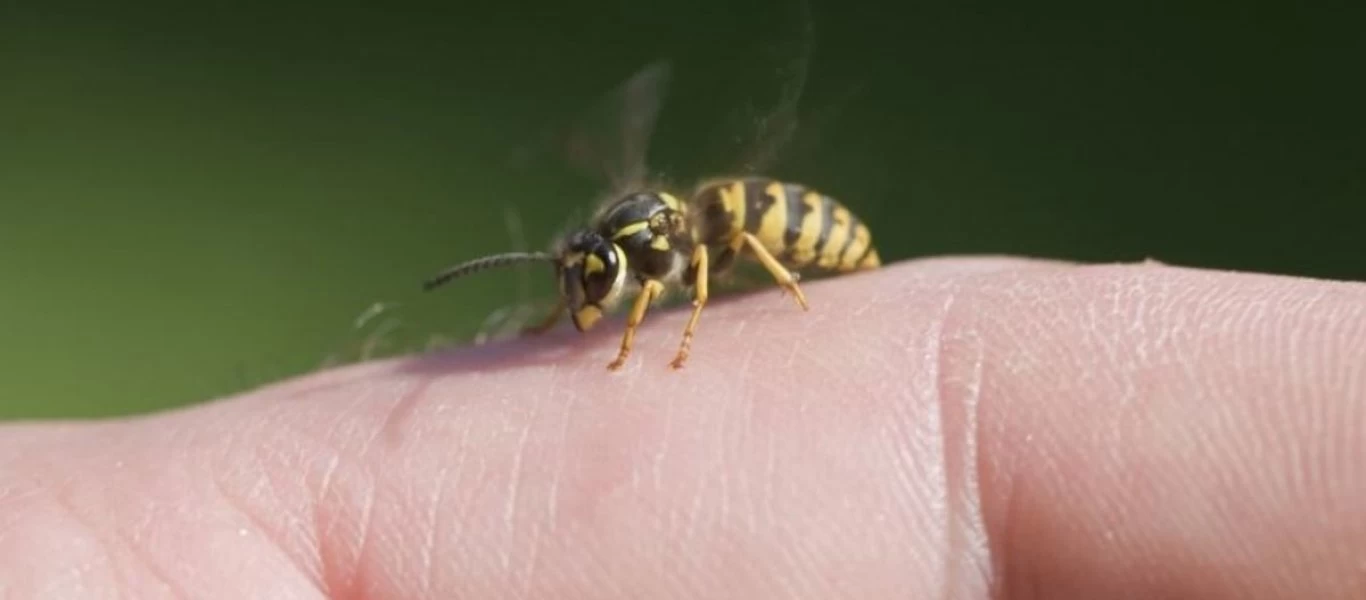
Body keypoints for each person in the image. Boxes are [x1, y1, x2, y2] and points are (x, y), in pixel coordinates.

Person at [3, 256, 1363, 598]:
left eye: (595, 286)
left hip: (776, 246)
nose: (590, 299)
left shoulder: (684, 266)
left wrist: (704, 324)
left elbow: (683, 267)